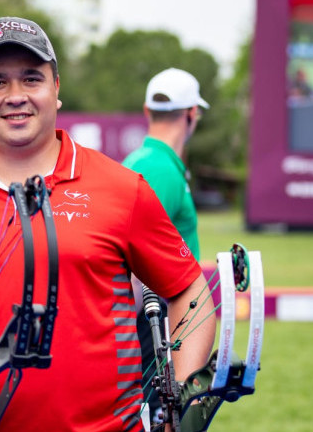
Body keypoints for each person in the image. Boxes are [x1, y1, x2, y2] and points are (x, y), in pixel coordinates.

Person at [0, 16, 215, 431]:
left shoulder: (122, 188)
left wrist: (180, 411)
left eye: (32, 79)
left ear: (56, 89)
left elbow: (189, 290)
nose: (16, 96)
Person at [121, 67, 209, 422]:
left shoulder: (151, 163)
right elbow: (126, 263)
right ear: (192, 114)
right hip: (149, 330)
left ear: (147, 111)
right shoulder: (157, 168)